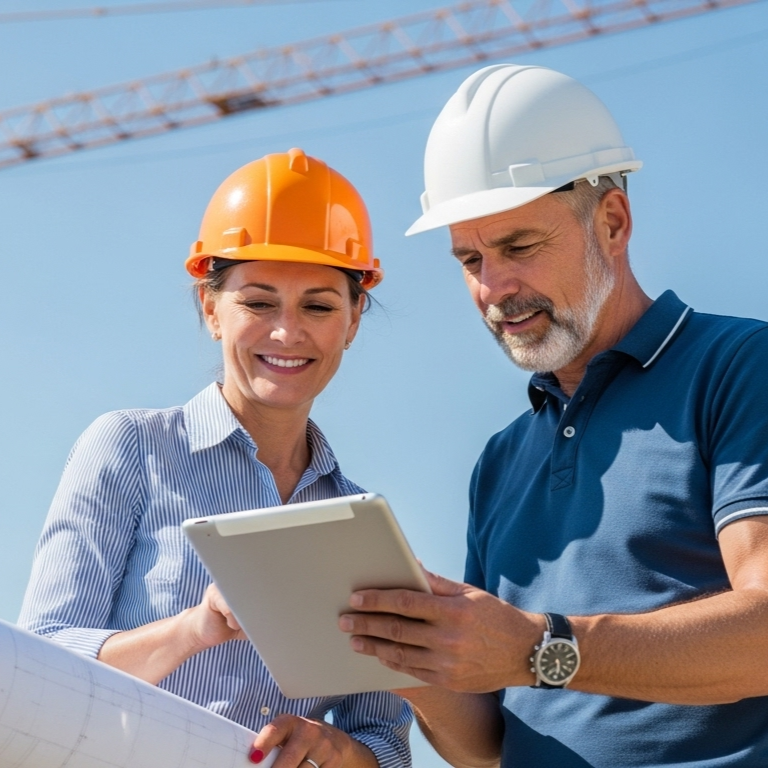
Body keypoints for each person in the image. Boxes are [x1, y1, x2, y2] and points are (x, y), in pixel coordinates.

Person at [338, 65, 768, 767]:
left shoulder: (740, 367)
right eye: (469, 258)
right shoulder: (502, 461)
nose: (493, 288)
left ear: (613, 222)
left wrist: (542, 648)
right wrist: (412, 656)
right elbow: (487, 748)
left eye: (519, 247)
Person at [18, 148, 411, 768]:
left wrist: (337, 748)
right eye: (257, 302)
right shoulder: (130, 449)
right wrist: (193, 630)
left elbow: (386, 742)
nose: (287, 332)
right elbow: (39, 667)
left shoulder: (357, 523)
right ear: (211, 309)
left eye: (319, 305)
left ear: (355, 319)